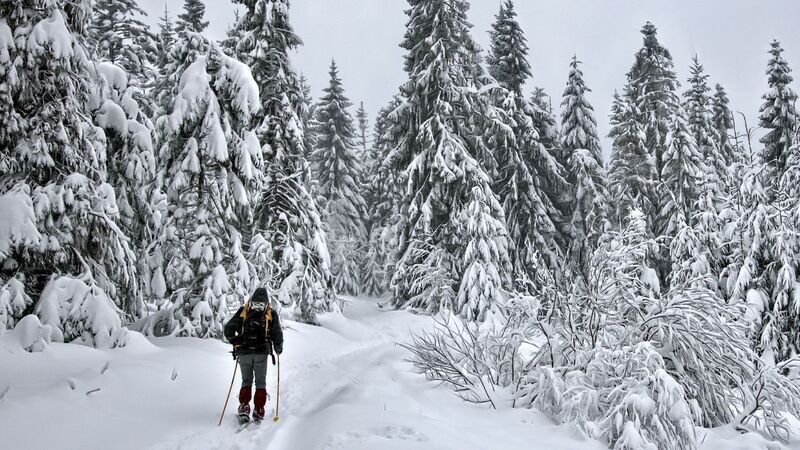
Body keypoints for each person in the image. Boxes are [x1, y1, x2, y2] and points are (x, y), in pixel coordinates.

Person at [223, 287, 283, 424]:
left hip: (244, 352)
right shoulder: (271, 313)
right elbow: (277, 334)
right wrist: (278, 348)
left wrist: (236, 341)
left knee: (246, 381)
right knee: (260, 382)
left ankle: (244, 407)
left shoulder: (244, 311)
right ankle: (259, 410)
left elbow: (228, 329)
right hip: (261, 352)